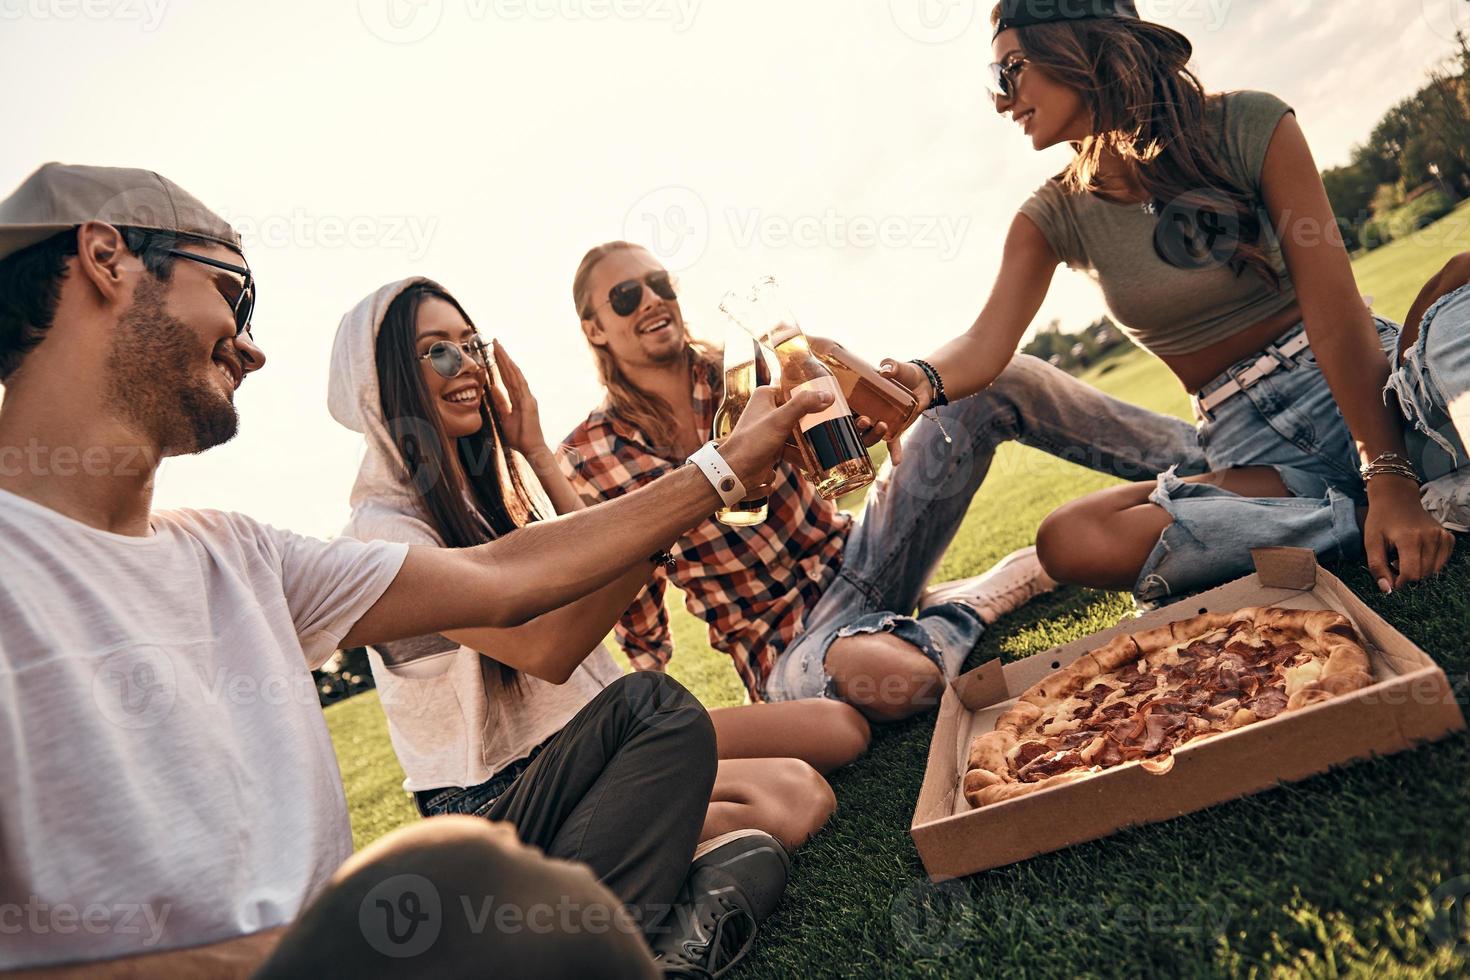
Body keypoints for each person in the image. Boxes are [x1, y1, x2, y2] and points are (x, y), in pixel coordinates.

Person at [0, 164, 827, 977]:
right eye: (233, 291)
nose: (252, 348)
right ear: (107, 259)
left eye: (473, 346)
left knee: (644, 736)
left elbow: (510, 580)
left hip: (392, 918)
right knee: (469, 872)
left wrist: (715, 471)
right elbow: (541, 635)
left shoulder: (237, 552)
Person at [877, 0, 1464, 606]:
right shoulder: (1049, 216)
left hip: (1364, 381)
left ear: (1080, 46)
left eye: (1010, 70)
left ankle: (1387, 496)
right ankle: (1389, 507)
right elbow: (983, 342)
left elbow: (1336, 314)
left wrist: (1385, 466)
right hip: (1247, 444)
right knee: (1070, 539)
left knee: (1461, 302)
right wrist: (918, 380)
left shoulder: (1248, 123)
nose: (1001, 100)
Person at [328, 276, 869, 857]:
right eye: (436, 350)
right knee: (793, 800)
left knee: (840, 730)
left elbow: (599, 550)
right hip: (504, 792)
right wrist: (701, 494)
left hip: (598, 733)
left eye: (470, 344)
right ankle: (552, 893)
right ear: (378, 386)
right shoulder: (382, 534)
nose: (464, 364)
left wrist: (533, 448)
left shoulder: (488, 495)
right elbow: (547, 650)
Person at [560, 242, 1208, 722]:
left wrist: (871, 402)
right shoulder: (590, 455)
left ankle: (1216, 461)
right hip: (786, 645)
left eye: (658, 283)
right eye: (626, 296)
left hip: (864, 557)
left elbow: (850, 456)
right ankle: (980, 600)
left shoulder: (756, 363)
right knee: (902, 681)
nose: (650, 300)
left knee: (993, 383)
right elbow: (624, 585)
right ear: (593, 329)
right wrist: (644, 679)